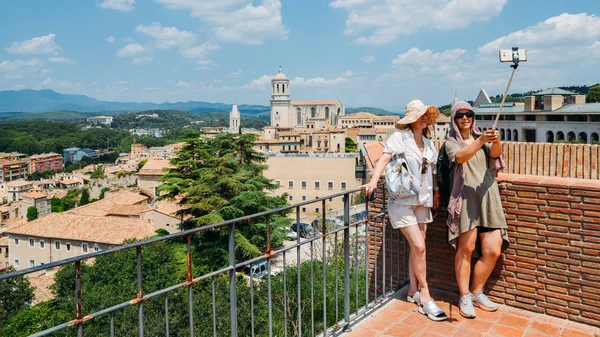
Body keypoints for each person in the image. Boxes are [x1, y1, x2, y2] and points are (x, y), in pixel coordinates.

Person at [363, 99, 447, 321]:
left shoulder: (429, 143)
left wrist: (437, 193)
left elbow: (433, 172)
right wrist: (373, 182)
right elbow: (384, 158)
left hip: (424, 199)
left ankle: (412, 289)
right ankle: (426, 295)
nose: (424, 118)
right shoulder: (399, 138)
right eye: (420, 115)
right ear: (412, 119)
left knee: (418, 248)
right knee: (419, 247)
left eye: (426, 114)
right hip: (402, 201)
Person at [444, 101, 510, 318]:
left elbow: (495, 155)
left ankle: (477, 291)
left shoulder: (483, 139)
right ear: (454, 119)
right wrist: (481, 140)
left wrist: (495, 140)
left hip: (488, 197)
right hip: (465, 199)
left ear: (473, 117)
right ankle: (464, 296)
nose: (465, 118)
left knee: (493, 249)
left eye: (469, 114)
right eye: (460, 115)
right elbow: (461, 157)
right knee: (466, 249)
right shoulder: (451, 142)